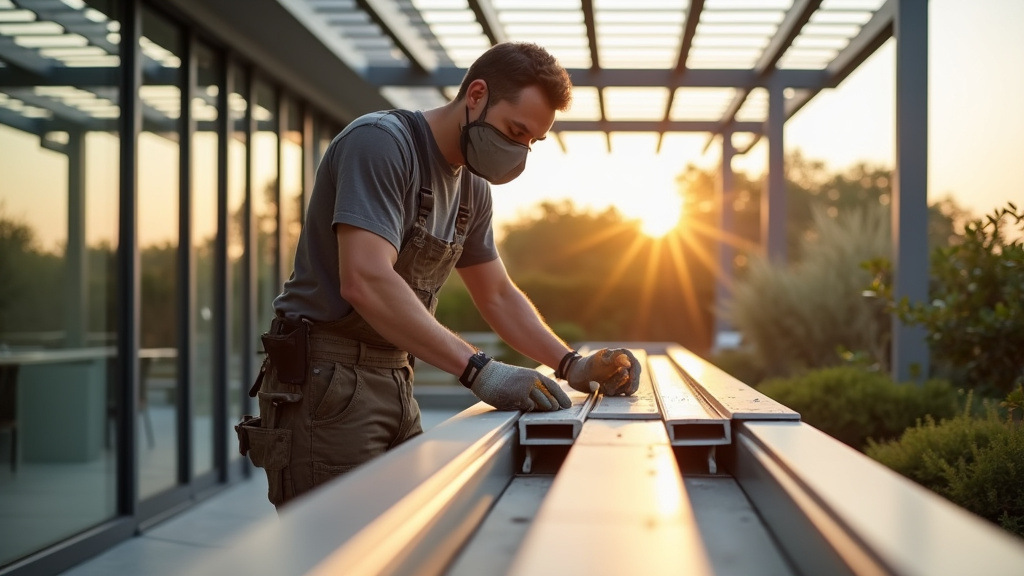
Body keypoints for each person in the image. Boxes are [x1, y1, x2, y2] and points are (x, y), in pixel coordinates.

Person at [235, 42, 641, 509]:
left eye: (531, 142)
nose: (518, 152)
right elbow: (365, 279)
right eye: (514, 130)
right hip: (326, 382)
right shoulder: (381, 144)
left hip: (396, 377)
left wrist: (573, 366)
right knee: (340, 552)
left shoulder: (472, 190)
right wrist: (479, 370)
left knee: (401, 542)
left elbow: (498, 296)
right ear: (477, 94)